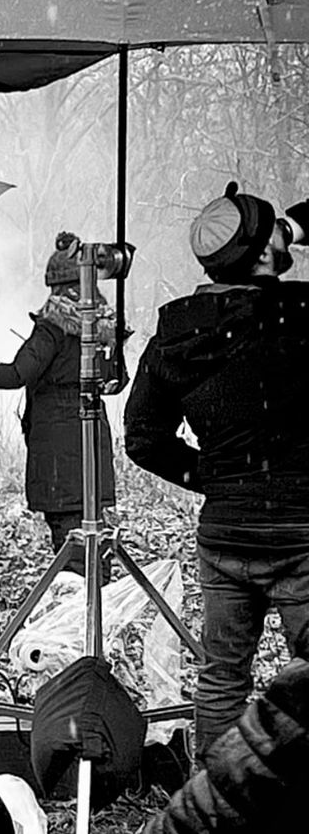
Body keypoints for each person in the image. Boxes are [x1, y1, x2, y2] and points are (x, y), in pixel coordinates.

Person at [124, 182, 309, 761]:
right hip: (303, 531)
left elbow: (143, 438)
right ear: (260, 256)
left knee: (223, 677)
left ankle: (216, 816)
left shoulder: (178, 329)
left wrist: (212, 476)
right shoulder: (300, 317)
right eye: (274, 230)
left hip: (226, 533)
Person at [0, 232, 118, 579]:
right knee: (91, 523)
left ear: (57, 286)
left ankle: (79, 608)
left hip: (57, 447)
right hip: (93, 435)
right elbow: (117, 381)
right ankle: (99, 598)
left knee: (68, 530)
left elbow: (16, 374)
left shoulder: (52, 327)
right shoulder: (105, 326)